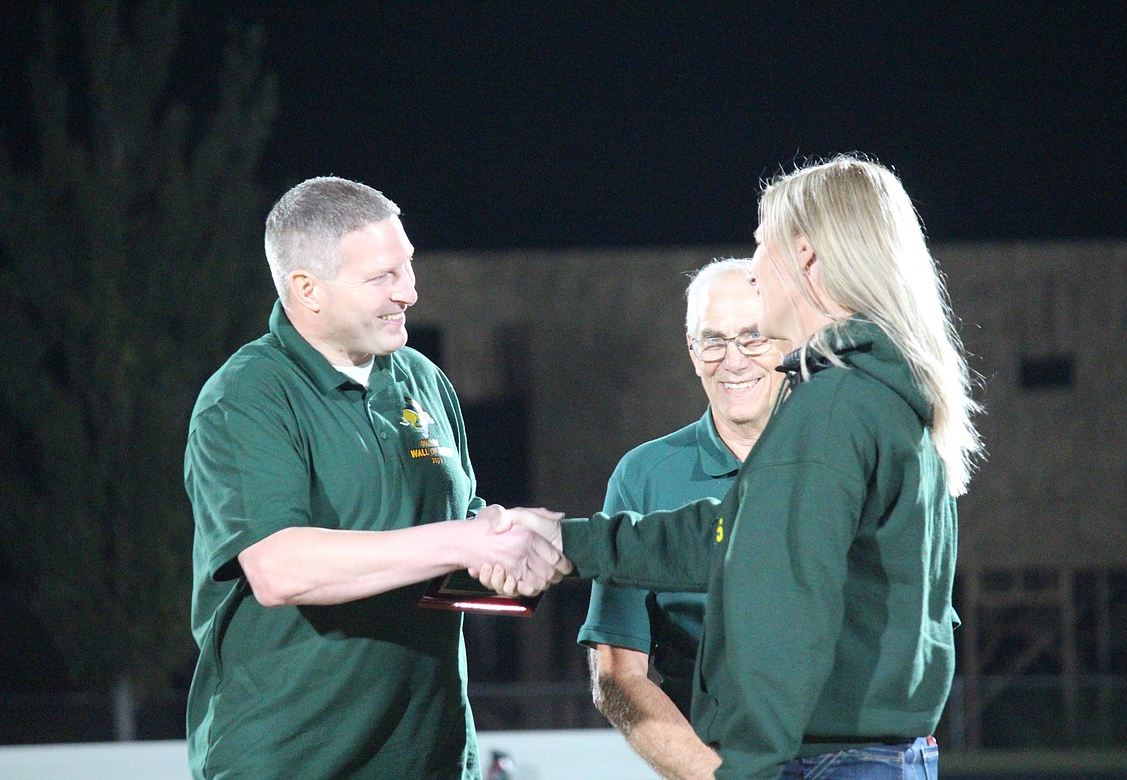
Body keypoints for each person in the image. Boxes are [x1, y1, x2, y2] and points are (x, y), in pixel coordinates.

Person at [488, 155, 982, 778]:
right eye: (713, 341)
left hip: (831, 762)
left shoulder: (832, 410)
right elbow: (737, 536)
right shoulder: (870, 396)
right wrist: (565, 541)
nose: (753, 269)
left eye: (759, 246)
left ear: (805, 257)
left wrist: (744, 768)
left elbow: (786, 613)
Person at [184, 176, 570, 780]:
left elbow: (455, 553)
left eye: (408, 267)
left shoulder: (422, 379)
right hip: (289, 764)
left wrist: (520, 551)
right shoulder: (246, 396)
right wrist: (463, 541)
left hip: (434, 760)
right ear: (306, 289)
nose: (410, 292)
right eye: (382, 278)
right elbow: (278, 568)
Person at [577, 257, 784, 779]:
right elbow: (618, 674)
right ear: (692, 352)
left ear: (787, 343)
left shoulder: (844, 458)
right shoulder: (644, 477)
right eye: (713, 341)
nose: (733, 361)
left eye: (753, 338)